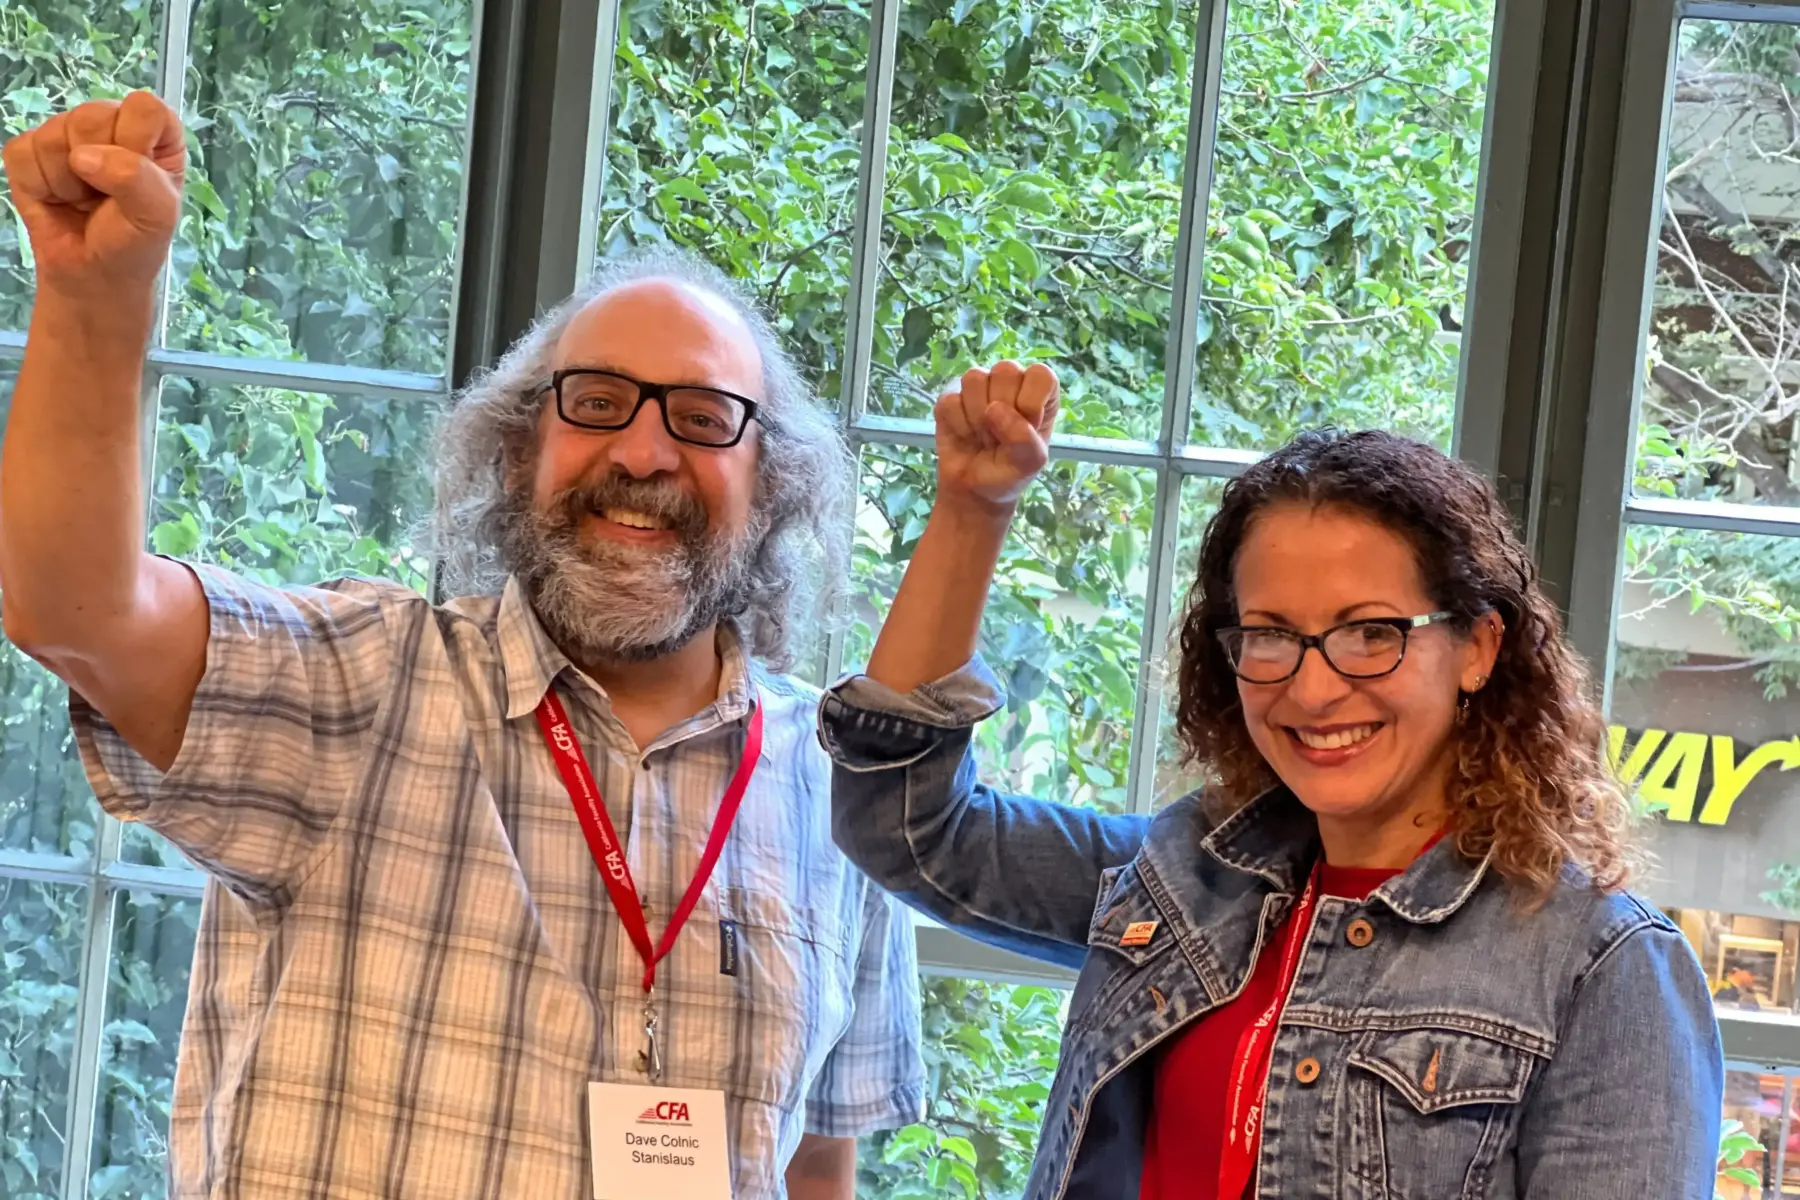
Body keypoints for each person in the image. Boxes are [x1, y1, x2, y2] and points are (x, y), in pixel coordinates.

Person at [0, 91, 923, 1200]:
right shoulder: (358, 687)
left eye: (702, 415)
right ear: (518, 446)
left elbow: (818, 1166)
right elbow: (74, 610)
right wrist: (98, 299)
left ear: (771, 485)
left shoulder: (844, 789)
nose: (642, 450)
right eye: (597, 401)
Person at [820, 362, 1724, 1198]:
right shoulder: (1180, 881)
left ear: (1478, 647)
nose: (1315, 686)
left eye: (1373, 631)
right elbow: (906, 827)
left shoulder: (1600, 968)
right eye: (1271, 633)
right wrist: (973, 512)